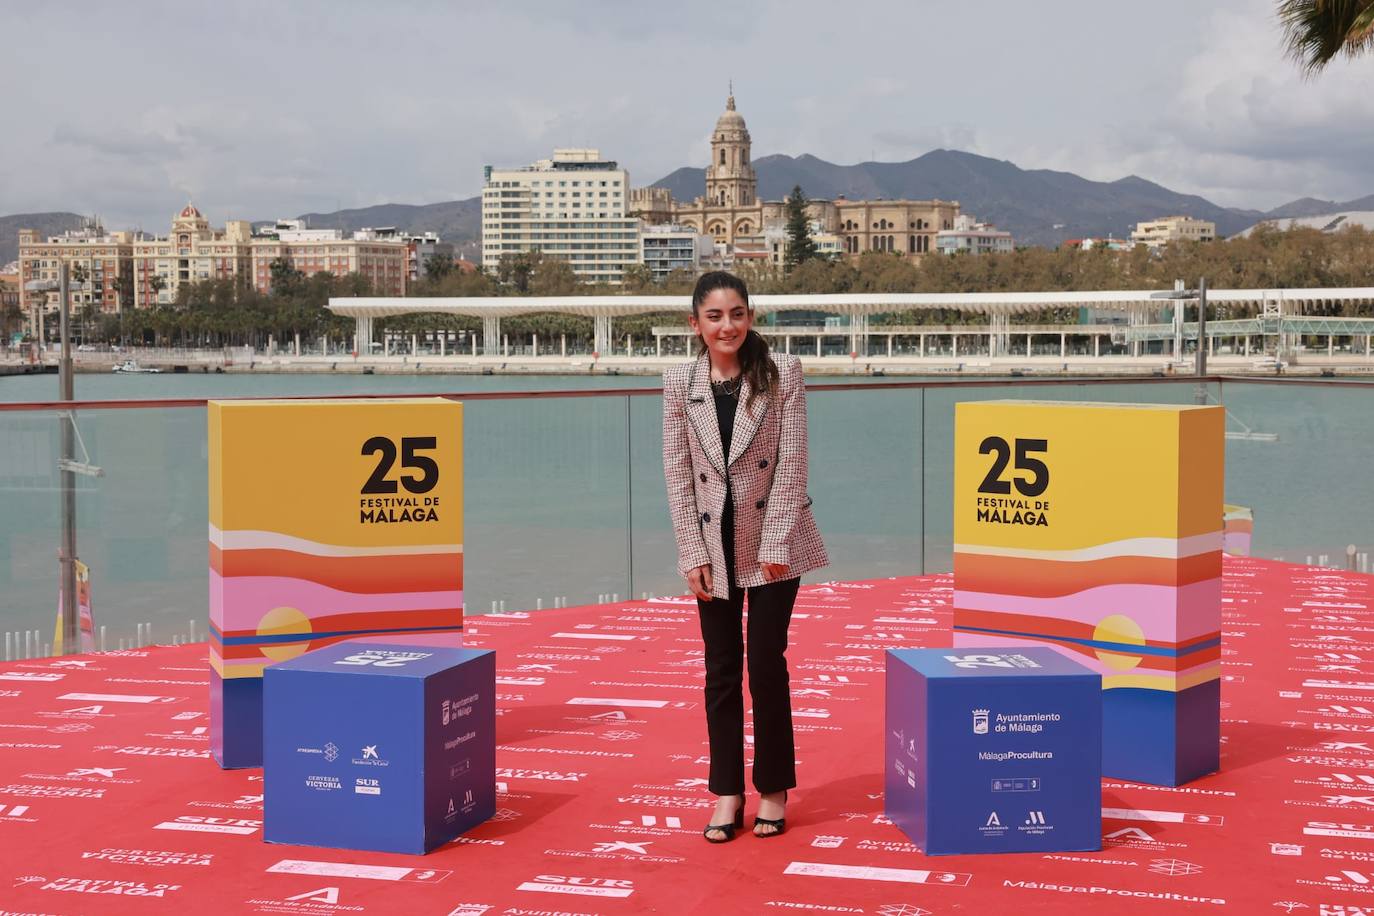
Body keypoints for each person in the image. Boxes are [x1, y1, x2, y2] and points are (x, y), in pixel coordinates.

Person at [662, 270, 828, 843]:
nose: (726, 325)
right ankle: (727, 793)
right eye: (714, 316)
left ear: (750, 317)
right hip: (713, 546)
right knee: (721, 670)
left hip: (773, 546)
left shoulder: (783, 376)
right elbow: (679, 474)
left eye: (736, 313)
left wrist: (777, 543)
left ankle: (775, 790)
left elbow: (792, 465)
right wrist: (691, 552)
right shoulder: (679, 381)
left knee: (766, 664)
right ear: (696, 325)